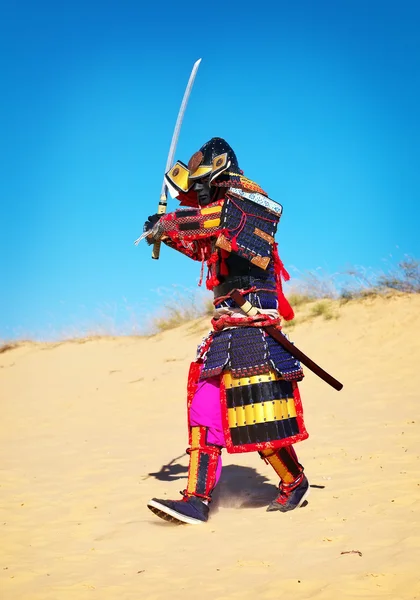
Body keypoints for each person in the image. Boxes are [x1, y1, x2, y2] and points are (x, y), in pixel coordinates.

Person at [143, 138, 309, 525]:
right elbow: (203, 246)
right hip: (225, 331)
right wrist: (165, 235)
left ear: (221, 175)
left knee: (257, 416)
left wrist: (168, 223)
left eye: (202, 184)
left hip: (255, 328)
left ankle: (294, 480)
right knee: (204, 408)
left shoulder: (251, 205)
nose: (196, 193)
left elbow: (212, 221)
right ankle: (196, 500)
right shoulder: (219, 214)